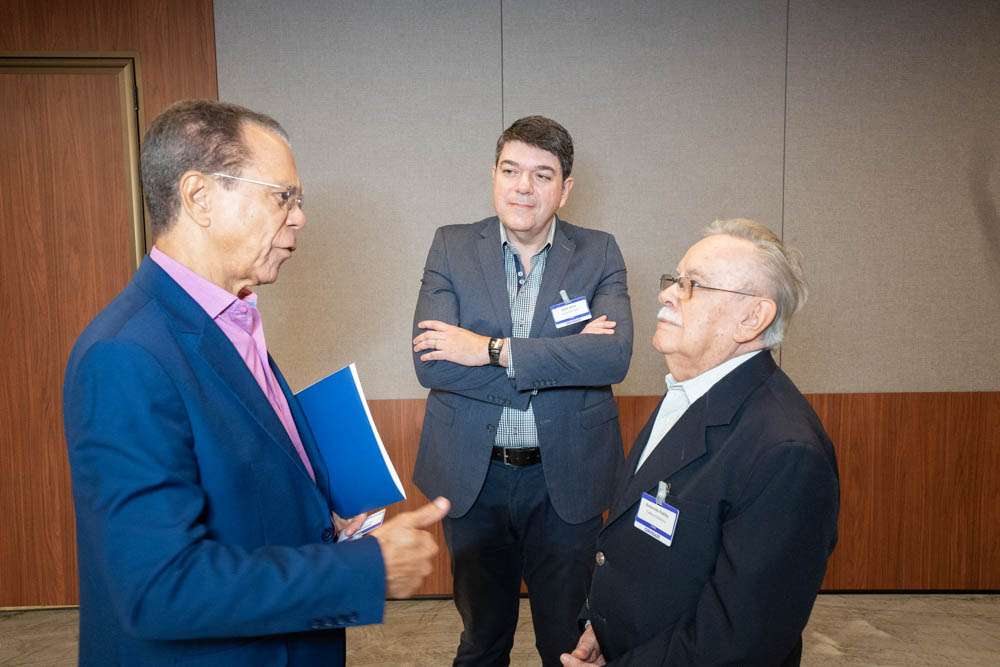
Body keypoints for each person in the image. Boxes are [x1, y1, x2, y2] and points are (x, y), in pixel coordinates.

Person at [63, 99, 449, 667]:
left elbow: (241, 486)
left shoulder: (232, 320)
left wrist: (322, 522)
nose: (299, 217)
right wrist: (367, 569)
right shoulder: (124, 355)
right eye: (282, 196)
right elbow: (159, 587)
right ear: (198, 198)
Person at [562, 219, 839, 666]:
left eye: (694, 285)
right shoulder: (692, 391)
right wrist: (601, 625)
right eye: (675, 279)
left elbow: (738, 641)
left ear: (753, 318)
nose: (667, 293)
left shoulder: (787, 453)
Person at [411, 115, 634, 666]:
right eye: (511, 170)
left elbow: (614, 356)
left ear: (565, 188)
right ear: (494, 174)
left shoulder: (599, 252)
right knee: (482, 639)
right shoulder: (451, 246)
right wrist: (564, 359)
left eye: (542, 174)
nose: (523, 187)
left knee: (567, 642)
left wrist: (490, 349)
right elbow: (433, 364)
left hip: (568, 479)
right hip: (474, 476)